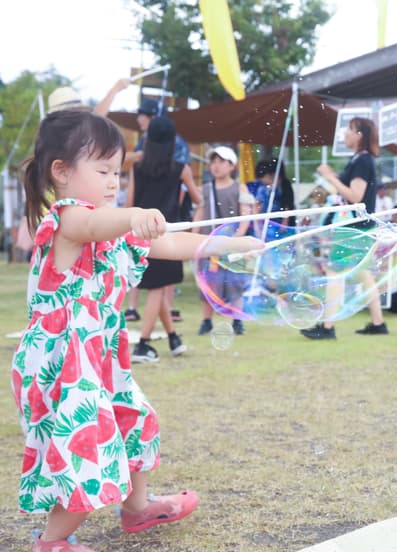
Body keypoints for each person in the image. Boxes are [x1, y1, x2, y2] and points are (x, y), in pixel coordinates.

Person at [13, 110, 261, 552]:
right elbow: (93, 224)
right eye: (103, 170)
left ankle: (137, 508)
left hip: (98, 357)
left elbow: (169, 243)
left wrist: (230, 244)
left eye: (116, 170)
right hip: (62, 365)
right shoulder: (67, 220)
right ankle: (51, 542)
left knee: (135, 421)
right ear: (62, 172)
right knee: (87, 447)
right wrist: (136, 214)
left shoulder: (113, 226)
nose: (112, 180)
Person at [300, 117, 388, 339]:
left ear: (360, 135)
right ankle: (378, 324)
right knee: (363, 274)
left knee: (334, 272)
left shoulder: (363, 161)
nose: (345, 134)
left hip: (354, 227)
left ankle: (327, 327)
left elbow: (355, 197)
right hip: (359, 227)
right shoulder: (359, 160)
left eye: (349, 130)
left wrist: (330, 176)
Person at [127, 116, 199, 362]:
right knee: (158, 290)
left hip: (139, 234)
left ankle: (173, 338)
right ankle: (143, 345)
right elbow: (198, 199)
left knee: (157, 289)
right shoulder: (181, 169)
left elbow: (129, 204)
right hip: (167, 235)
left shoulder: (137, 168)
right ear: (172, 141)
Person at [192, 146, 255, 336]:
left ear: (232, 166)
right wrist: (194, 237)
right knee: (208, 282)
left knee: (235, 282)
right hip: (209, 244)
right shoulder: (205, 189)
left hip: (231, 245)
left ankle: (237, 320)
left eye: (221, 162)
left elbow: (245, 214)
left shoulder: (239, 188)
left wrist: (238, 237)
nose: (216, 166)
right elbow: (200, 214)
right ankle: (206, 320)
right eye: (213, 162)